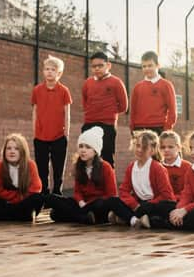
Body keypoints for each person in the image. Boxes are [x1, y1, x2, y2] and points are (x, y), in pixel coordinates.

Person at [45, 127, 117, 225]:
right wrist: (81, 203)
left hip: (98, 206)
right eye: (81, 146)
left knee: (99, 203)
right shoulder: (79, 166)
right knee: (52, 206)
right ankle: (84, 217)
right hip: (82, 205)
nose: (83, 150)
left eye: (87, 147)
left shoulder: (106, 167)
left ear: (95, 151)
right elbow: (77, 192)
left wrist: (89, 204)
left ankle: (82, 217)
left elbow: (111, 195)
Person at [106, 130, 176, 229]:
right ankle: (134, 220)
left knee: (168, 206)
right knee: (112, 200)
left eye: (144, 147)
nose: (139, 150)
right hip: (137, 204)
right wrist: (134, 205)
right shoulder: (131, 167)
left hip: (152, 204)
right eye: (137, 146)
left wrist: (148, 205)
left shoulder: (158, 168)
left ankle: (125, 217)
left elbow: (166, 195)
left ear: (152, 150)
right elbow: (123, 190)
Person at [0, 134, 44, 221]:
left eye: (16, 149)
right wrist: (13, 200)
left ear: (22, 151)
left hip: (22, 203)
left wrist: (14, 200)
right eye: (9, 148)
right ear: (4, 151)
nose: (12, 151)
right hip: (5, 202)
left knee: (38, 198)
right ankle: (17, 215)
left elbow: (35, 189)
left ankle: (4, 214)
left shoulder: (30, 165)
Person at [32, 55, 72, 195]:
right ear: (43, 71)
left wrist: (66, 133)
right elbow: (35, 111)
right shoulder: (37, 90)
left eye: (53, 70)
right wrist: (34, 132)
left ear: (59, 73)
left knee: (58, 168)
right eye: (47, 69)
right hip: (40, 136)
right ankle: (44, 192)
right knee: (41, 168)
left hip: (59, 136)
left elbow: (67, 113)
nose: (49, 72)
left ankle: (57, 192)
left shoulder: (64, 91)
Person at [81, 52, 128, 166]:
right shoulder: (88, 83)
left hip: (107, 125)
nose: (97, 68)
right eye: (94, 66)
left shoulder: (116, 82)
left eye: (100, 65)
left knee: (107, 158)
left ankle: (108, 183)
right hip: (89, 124)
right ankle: (89, 183)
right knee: (88, 159)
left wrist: (109, 113)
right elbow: (85, 102)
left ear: (108, 65)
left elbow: (123, 106)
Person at [129, 51, 177, 135]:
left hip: (158, 128)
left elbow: (172, 111)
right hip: (139, 128)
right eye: (144, 66)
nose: (147, 69)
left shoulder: (166, 85)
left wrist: (166, 130)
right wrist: (132, 128)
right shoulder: (137, 87)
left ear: (158, 65)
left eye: (150, 65)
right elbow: (133, 111)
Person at [159, 130, 192, 201]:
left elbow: (189, 191)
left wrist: (173, 198)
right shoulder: (158, 167)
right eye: (163, 147)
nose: (166, 150)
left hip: (180, 203)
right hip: (160, 203)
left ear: (179, 147)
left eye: (170, 147)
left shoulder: (187, 167)